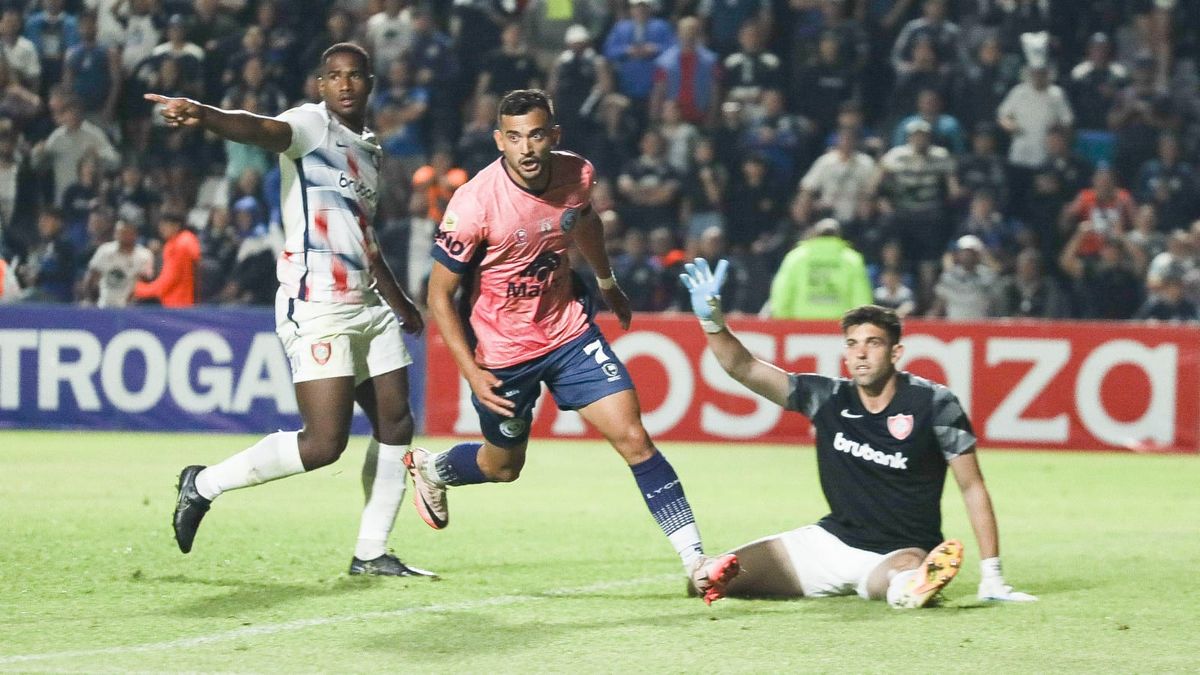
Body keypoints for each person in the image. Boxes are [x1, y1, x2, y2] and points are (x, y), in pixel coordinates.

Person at [415, 89, 739, 604]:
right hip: (502, 353)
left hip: (568, 331)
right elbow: (438, 293)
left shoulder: (578, 173)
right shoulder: (475, 202)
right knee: (504, 466)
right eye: (514, 137)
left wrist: (607, 280)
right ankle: (434, 468)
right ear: (499, 140)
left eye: (536, 135)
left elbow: (582, 221)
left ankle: (696, 560)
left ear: (553, 136)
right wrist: (472, 373)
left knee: (634, 438)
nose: (526, 148)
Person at [154, 42, 434, 578]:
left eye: (355, 76)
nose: (345, 84)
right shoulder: (309, 125)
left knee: (396, 421)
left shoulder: (371, 150)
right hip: (317, 304)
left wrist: (401, 304)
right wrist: (204, 114)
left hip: (369, 304)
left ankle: (372, 552)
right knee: (324, 442)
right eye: (334, 76)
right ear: (320, 85)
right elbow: (258, 129)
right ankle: (204, 484)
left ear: (369, 83)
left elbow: (365, 239)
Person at [679, 260, 1039, 608]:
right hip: (830, 543)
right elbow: (743, 368)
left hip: (901, 550)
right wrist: (712, 321)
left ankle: (910, 587)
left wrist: (992, 575)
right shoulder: (829, 398)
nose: (861, 353)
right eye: (852, 344)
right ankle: (907, 588)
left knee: (902, 575)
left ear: (896, 352)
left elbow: (971, 486)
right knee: (710, 578)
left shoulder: (935, 404)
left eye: (873, 343)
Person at [768, 218, 872, 320]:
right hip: (839, 327)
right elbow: (861, 298)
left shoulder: (796, 257)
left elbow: (782, 293)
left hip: (801, 327)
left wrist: (784, 321)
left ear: (814, 235)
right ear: (839, 236)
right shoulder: (851, 259)